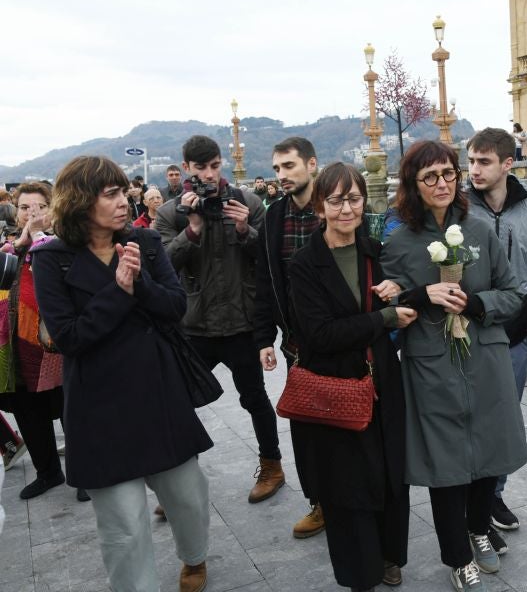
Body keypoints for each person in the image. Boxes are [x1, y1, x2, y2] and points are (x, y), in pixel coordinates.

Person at [31, 156, 213, 592]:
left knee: (187, 495)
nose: (123, 201)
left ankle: (194, 557)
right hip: (97, 405)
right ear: (79, 201)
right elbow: (69, 337)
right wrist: (118, 290)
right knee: (123, 524)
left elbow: (175, 306)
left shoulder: (144, 241)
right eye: (110, 194)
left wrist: (140, 283)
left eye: (122, 192)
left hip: (158, 390)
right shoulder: (51, 259)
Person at [381, 140, 527, 592]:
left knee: (489, 451)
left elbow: (514, 294)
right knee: (444, 462)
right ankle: (458, 556)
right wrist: (419, 295)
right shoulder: (400, 242)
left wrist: (477, 303)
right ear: (413, 184)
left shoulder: (479, 230)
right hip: (431, 363)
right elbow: (388, 306)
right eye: (430, 176)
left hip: (484, 357)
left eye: (448, 173)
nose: (442, 183)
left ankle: (479, 528)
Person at [288, 162, 414, 592]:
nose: (347, 209)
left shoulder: (376, 253)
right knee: (346, 484)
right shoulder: (305, 264)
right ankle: (360, 571)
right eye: (336, 200)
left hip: (383, 382)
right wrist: (384, 318)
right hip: (335, 388)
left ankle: (390, 554)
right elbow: (320, 334)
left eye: (354, 198)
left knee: (390, 473)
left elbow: (404, 300)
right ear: (320, 207)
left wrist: (398, 292)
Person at [155, 135, 285, 504]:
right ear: (186, 168)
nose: (210, 175)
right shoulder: (170, 212)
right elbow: (163, 266)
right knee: (178, 401)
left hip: (241, 323)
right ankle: (181, 482)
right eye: (201, 168)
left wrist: (246, 230)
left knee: (255, 398)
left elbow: (269, 260)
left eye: (214, 166)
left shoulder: (247, 202)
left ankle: (272, 466)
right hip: (195, 325)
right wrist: (192, 228)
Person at [465, 128, 527, 547]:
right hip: (468, 333)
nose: (474, 170)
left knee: (503, 424)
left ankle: (493, 497)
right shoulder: (460, 210)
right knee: (470, 421)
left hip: (516, 337)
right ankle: (471, 509)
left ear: (507, 163)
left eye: (483, 161)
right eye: (470, 161)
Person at [254, 136, 325, 538]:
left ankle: (358, 499)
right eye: (277, 168)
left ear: (311, 165)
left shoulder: (335, 205)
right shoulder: (274, 216)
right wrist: (265, 337)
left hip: (341, 336)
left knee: (350, 419)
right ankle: (319, 502)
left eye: (289, 166)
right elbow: (265, 281)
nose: (281, 175)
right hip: (296, 343)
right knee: (305, 425)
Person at [0, 182, 72, 500]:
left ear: (52, 209)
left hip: (57, 343)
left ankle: (85, 472)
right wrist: (20, 244)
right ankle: (48, 472)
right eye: (25, 207)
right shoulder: (9, 247)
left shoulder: (64, 243)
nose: (33, 213)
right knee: (28, 412)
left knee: (71, 409)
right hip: (17, 345)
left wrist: (41, 240)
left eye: (41, 206)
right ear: (17, 213)